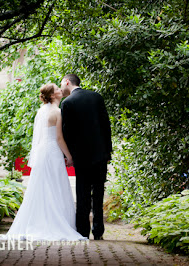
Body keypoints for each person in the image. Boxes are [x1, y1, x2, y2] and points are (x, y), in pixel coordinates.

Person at [1, 83, 86, 241]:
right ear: (53, 96)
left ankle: (38, 222)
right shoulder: (57, 111)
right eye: (57, 89)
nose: (61, 90)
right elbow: (59, 138)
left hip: (42, 152)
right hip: (52, 152)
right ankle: (55, 224)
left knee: (41, 188)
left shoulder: (41, 111)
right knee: (55, 186)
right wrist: (69, 156)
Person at [60, 74, 112, 240]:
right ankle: (98, 231)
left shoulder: (67, 103)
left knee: (82, 193)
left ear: (67, 81)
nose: (61, 87)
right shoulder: (96, 97)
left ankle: (83, 231)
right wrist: (108, 151)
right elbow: (106, 125)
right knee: (98, 193)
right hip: (100, 154)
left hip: (81, 156)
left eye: (61, 83)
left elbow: (67, 132)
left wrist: (67, 155)